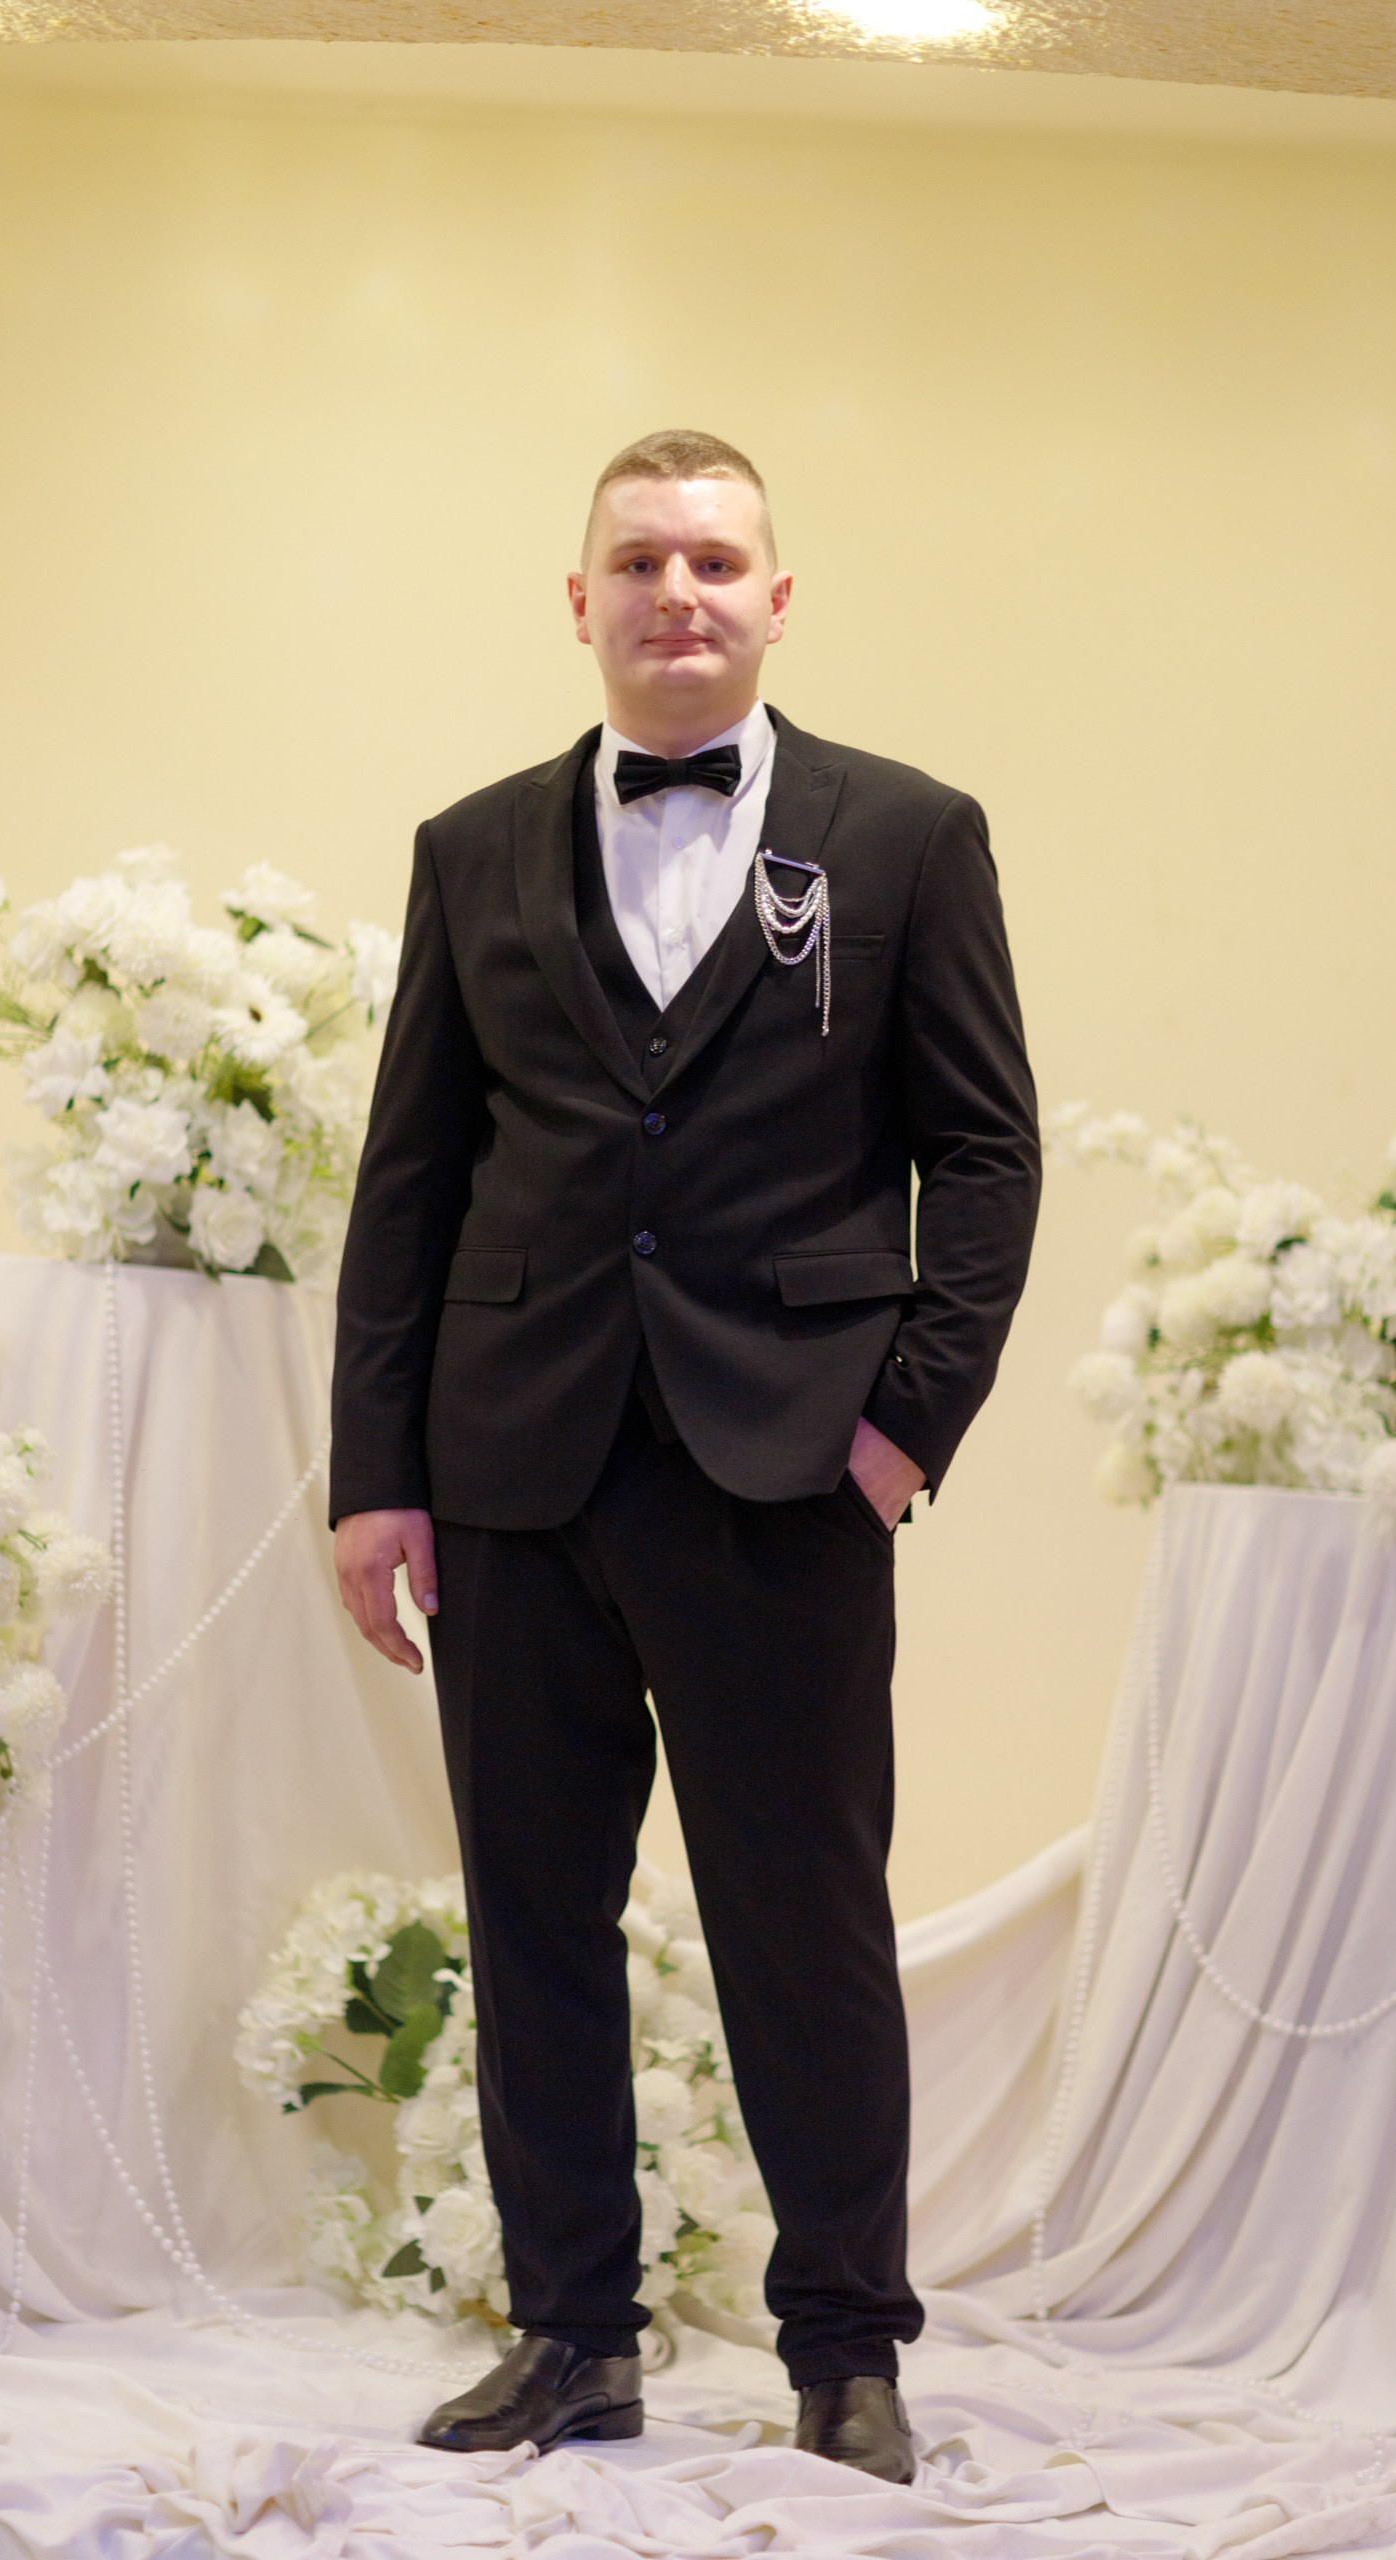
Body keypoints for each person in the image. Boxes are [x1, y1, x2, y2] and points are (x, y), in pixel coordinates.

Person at [331, 428, 1040, 2483]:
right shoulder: (469, 846)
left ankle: (847, 2350)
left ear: (775, 600)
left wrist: (901, 1429)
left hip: (786, 1470)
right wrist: (374, 1471)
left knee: (801, 1920)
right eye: (638, 559)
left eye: (715, 560)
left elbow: (984, 1152)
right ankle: (571, 2336)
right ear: (580, 601)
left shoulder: (907, 834)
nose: (678, 591)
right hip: (512, 1468)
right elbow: (409, 1176)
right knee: (534, 1917)